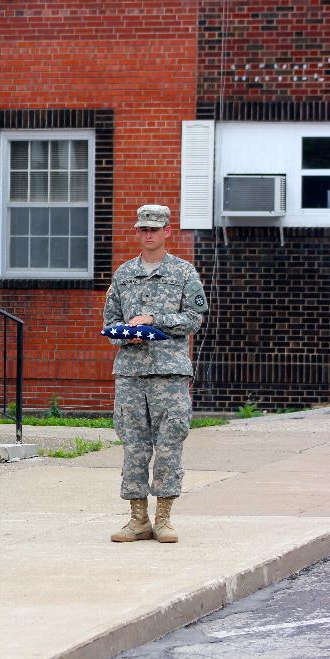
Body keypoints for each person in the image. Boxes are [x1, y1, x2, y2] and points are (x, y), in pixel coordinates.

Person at [104, 204, 208, 544]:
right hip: (131, 373)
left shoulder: (184, 273)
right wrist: (125, 332)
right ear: (137, 233)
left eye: (154, 229)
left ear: (167, 232)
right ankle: (137, 519)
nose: (148, 234)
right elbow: (110, 322)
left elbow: (194, 320)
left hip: (169, 374)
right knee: (134, 446)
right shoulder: (123, 274)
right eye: (142, 229)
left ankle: (163, 519)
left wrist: (155, 319)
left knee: (168, 446)